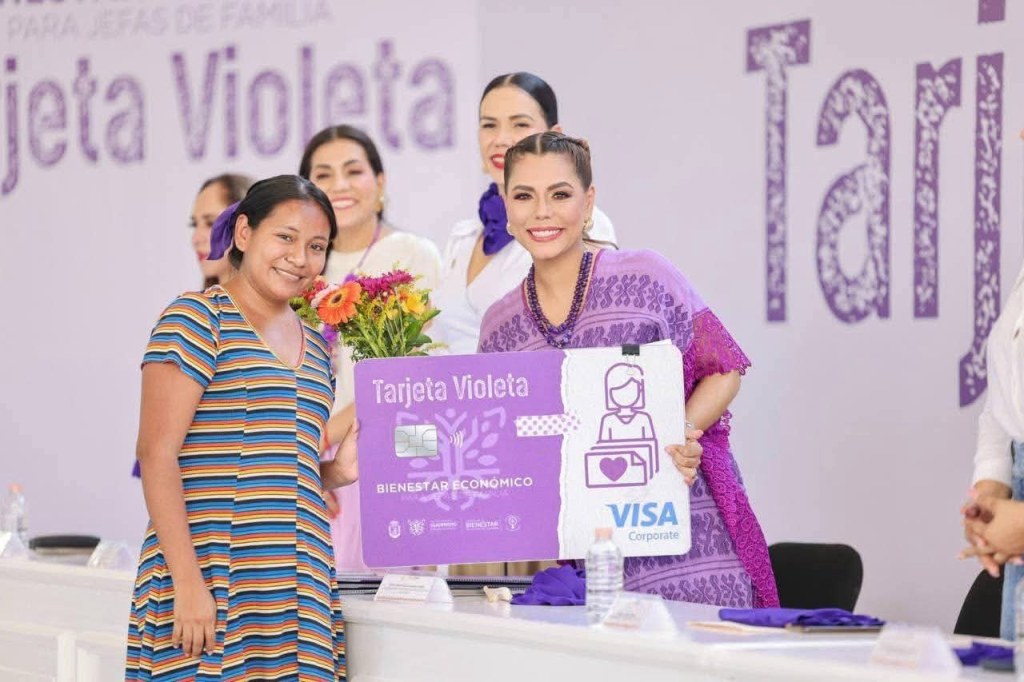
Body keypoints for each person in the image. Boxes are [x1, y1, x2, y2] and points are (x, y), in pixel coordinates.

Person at [476, 131, 778, 607]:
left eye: (560, 194)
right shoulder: (500, 326)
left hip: (691, 540)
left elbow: (724, 368)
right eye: (524, 196)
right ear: (507, 208)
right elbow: (501, 441)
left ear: (588, 202)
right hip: (591, 563)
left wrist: (680, 432)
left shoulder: (646, 276)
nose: (542, 212)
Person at [127, 175, 358, 680]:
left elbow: (269, 465)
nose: (300, 258)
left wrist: (332, 474)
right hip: (209, 583)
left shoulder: (317, 349)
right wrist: (188, 584)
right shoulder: (195, 320)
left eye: (316, 246)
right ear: (245, 233)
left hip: (297, 591)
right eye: (285, 237)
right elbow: (157, 454)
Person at [299, 125, 442, 572]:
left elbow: (415, 370)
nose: (339, 185)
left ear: (380, 182)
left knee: (399, 594)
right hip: (318, 460)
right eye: (324, 175)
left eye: (353, 171)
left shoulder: (409, 255)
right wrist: (304, 462)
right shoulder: (298, 269)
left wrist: (324, 438)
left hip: (397, 449)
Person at [432, 72, 618, 356]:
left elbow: (596, 334)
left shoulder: (579, 225)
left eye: (520, 124)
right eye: (489, 125)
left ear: (554, 135)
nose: (500, 139)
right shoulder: (463, 237)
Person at [132, 173, 255, 479]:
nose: (197, 237)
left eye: (210, 222)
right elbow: (156, 453)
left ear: (245, 228)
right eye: (194, 224)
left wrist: (324, 476)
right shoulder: (191, 318)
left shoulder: (292, 322)